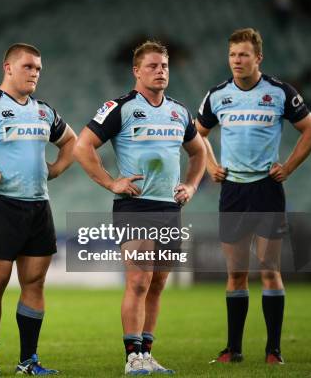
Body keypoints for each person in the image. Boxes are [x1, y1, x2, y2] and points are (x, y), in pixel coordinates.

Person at [73, 41, 206, 375]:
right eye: (152, 66)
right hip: (136, 205)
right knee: (138, 280)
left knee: (158, 283)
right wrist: (110, 182)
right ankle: (132, 356)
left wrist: (190, 185)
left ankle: (147, 354)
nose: (160, 71)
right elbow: (82, 146)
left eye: (164, 66)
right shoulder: (120, 107)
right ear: (136, 71)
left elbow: (199, 152)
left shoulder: (179, 111)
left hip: (169, 208)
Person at [0, 43, 77, 376]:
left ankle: (28, 361)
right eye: (28, 66)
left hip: (38, 205)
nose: (34, 72)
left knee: (34, 284)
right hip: (0, 206)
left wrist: (56, 169)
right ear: (8, 68)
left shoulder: (44, 111)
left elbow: (71, 141)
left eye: (38, 68)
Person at [196, 28, 311, 365]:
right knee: (235, 273)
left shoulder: (279, 92)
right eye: (233, 55)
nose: (237, 60)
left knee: (269, 269)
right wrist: (210, 165)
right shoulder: (217, 95)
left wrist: (289, 167)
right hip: (233, 191)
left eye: (244, 55)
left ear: (258, 58)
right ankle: (233, 349)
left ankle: (273, 350)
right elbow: (197, 133)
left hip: (266, 190)